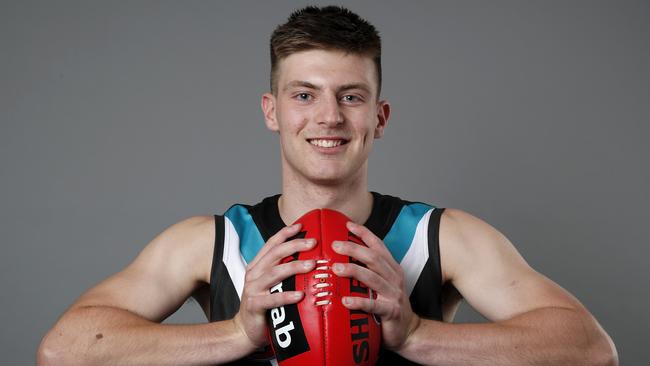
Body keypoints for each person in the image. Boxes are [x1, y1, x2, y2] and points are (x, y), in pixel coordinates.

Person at [37, 5, 618, 366]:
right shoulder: (211, 242)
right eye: (304, 94)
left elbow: (590, 350)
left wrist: (416, 336)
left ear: (379, 117)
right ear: (272, 111)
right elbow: (65, 351)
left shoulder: (439, 238)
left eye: (352, 96)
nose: (329, 118)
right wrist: (235, 334)